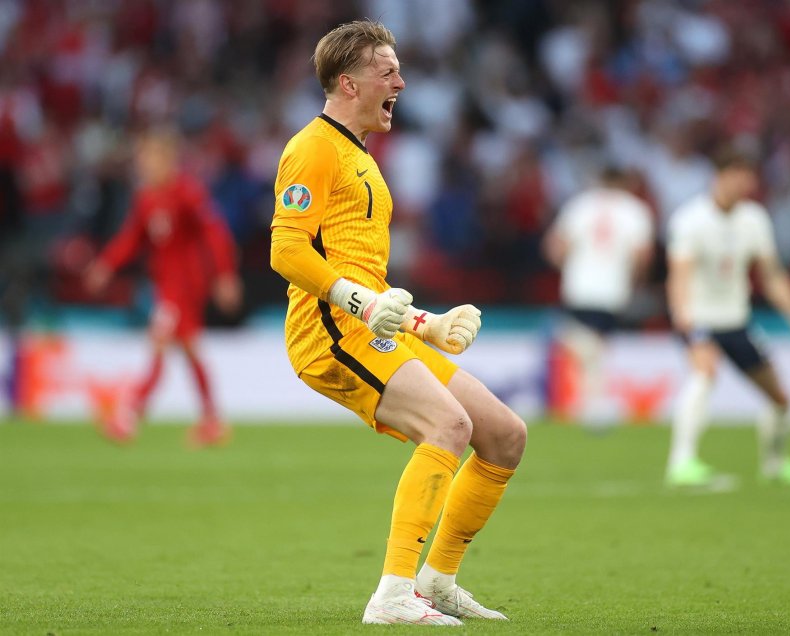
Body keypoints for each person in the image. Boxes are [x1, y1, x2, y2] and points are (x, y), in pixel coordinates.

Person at [269, 20, 526, 626]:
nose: (400, 84)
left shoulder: (359, 155)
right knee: (448, 425)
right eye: (387, 72)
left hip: (369, 324)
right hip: (329, 332)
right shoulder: (312, 148)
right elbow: (286, 249)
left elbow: (361, 271)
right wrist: (358, 303)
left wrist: (424, 323)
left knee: (504, 434)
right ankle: (391, 594)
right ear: (348, 83)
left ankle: (437, 581)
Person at [665, 150, 790, 488]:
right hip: (699, 318)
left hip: (737, 320)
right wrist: (682, 315)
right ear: (719, 176)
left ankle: (775, 465)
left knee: (780, 399)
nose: (743, 184)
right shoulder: (690, 219)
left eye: (747, 177)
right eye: (737, 176)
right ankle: (681, 462)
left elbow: (772, 276)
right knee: (704, 375)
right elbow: (679, 274)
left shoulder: (754, 219)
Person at [85, 128, 242, 446]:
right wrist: (106, 264)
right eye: (141, 160)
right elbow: (131, 239)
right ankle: (212, 421)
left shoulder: (187, 193)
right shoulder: (146, 199)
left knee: (159, 343)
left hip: (185, 287)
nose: (144, 166)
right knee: (188, 349)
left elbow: (214, 233)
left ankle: (128, 416)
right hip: (166, 286)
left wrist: (224, 275)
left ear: (167, 160)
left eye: (149, 159)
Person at [542, 166, 653, 423]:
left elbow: (555, 246)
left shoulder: (581, 205)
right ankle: (595, 403)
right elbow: (642, 255)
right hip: (613, 289)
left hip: (578, 286)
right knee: (593, 345)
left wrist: (567, 267)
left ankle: (591, 401)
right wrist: (634, 280)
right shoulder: (634, 209)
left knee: (587, 344)